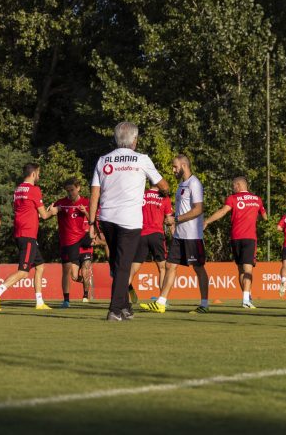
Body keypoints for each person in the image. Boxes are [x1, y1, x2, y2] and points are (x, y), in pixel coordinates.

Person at [89, 122, 168, 321]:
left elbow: (94, 193)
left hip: (107, 218)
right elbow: (163, 185)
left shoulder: (103, 160)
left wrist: (91, 223)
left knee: (117, 264)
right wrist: (164, 191)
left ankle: (125, 307)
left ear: (116, 139)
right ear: (135, 140)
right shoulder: (142, 159)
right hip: (129, 220)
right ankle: (114, 310)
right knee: (123, 265)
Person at [140, 155, 208, 314]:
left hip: (192, 235)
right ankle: (161, 303)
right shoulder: (181, 184)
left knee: (198, 268)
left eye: (175, 167)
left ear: (184, 165)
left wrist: (176, 219)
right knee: (170, 266)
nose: (173, 170)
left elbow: (199, 209)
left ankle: (204, 304)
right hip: (179, 235)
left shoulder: (194, 183)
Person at [0, 163, 58, 312]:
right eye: (38, 173)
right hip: (28, 234)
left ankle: (39, 302)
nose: (39, 176)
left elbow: (25, 211)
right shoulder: (34, 190)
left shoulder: (18, 189)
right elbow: (44, 215)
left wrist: (40, 214)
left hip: (21, 233)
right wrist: (53, 211)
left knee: (40, 266)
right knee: (23, 272)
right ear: (33, 174)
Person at [204, 177, 267, 309]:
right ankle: (246, 299)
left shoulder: (232, 198)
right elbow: (265, 217)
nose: (233, 188)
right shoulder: (257, 199)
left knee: (241, 269)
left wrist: (207, 221)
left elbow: (223, 211)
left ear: (238, 185)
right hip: (250, 237)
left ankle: (246, 297)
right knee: (248, 269)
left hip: (236, 237)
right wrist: (254, 219)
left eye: (233, 186)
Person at [51, 178, 92, 308]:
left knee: (81, 270)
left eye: (72, 190)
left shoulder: (86, 202)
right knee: (72, 275)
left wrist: (85, 212)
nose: (70, 193)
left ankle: (85, 293)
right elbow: (47, 214)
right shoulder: (61, 203)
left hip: (81, 239)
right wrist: (52, 211)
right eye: (68, 190)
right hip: (66, 242)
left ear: (78, 188)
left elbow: (93, 220)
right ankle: (66, 300)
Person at [129, 184, 173, 304]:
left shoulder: (140, 194)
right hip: (156, 235)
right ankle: (162, 300)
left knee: (134, 267)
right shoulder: (164, 197)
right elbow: (169, 220)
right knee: (162, 268)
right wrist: (174, 235)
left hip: (141, 235)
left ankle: (125, 289)